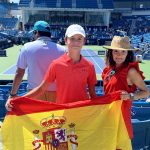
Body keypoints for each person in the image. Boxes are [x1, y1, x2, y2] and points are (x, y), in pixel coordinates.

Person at [6, 24, 97, 110]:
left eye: (79, 39)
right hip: (62, 112)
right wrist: (17, 99)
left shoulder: (90, 66)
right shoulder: (56, 64)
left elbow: (93, 95)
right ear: (65, 40)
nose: (76, 42)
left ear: (84, 41)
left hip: (82, 112)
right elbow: (41, 89)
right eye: (72, 38)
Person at [102, 36, 149, 148]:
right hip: (108, 116)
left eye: (123, 52)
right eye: (116, 51)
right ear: (111, 53)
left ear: (127, 54)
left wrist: (130, 96)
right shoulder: (110, 69)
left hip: (121, 118)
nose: (119, 55)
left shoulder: (130, 71)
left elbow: (146, 92)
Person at [6, 20, 65, 106]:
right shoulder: (62, 50)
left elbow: (19, 73)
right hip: (56, 94)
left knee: (37, 119)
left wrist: (13, 95)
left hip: (34, 93)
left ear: (36, 32)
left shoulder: (27, 47)